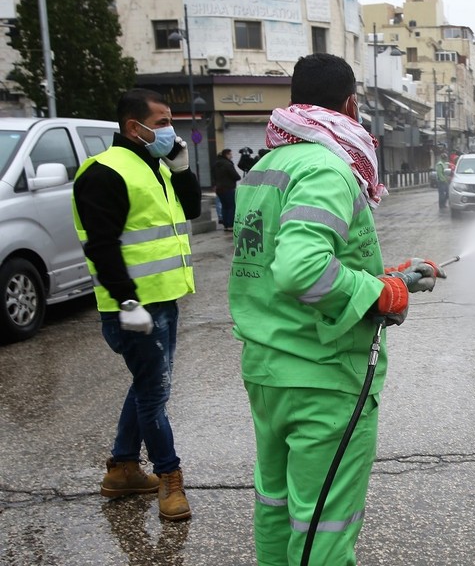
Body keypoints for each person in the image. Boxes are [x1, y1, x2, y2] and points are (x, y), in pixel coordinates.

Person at [228, 53, 445, 565]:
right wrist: (380, 294)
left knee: (278, 505)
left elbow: (296, 262)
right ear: (350, 104)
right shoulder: (328, 168)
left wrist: (389, 276)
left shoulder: (269, 166)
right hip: (321, 378)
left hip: (268, 369)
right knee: (324, 521)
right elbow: (301, 269)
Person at [71, 88, 199, 522]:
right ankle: (169, 478)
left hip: (163, 300)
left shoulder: (154, 167)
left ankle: (123, 467)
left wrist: (181, 170)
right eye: (162, 122)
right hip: (134, 308)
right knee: (154, 393)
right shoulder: (105, 172)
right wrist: (127, 300)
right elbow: (101, 246)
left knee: (148, 386)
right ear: (134, 127)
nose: (170, 131)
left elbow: (193, 210)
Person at [213, 148, 241, 230]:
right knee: (231, 206)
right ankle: (230, 225)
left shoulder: (216, 164)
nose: (232, 156)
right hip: (228, 188)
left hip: (219, 189)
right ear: (226, 155)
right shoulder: (227, 164)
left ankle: (225, 225)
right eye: (230, 154)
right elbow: (235, 176)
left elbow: (213, 176)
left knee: (224, 206)